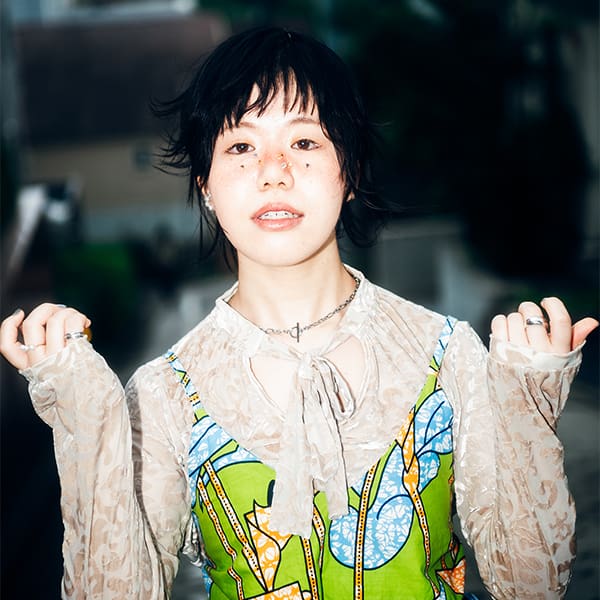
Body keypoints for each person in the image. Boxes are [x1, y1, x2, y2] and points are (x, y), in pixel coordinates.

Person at [0, 26, 597, 600]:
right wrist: (86, 417)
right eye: (240, 146)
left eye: (305, 142)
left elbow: (531, 585)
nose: (274, 171)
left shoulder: (447, 355)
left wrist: (525, 400)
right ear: (206, 184)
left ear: (351, 171)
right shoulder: (164, 395)